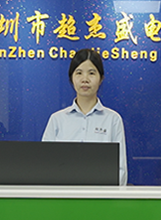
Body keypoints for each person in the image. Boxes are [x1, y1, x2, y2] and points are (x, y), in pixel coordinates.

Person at [42, 48, 128, 185]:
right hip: (63, 195)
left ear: (101, 79)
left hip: (101, 196)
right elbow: (45, 165)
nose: (85, 79)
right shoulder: (57, 119)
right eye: (79, 73)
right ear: (71, 78)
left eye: (91, 73)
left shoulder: (113, 119)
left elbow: (120, 170)